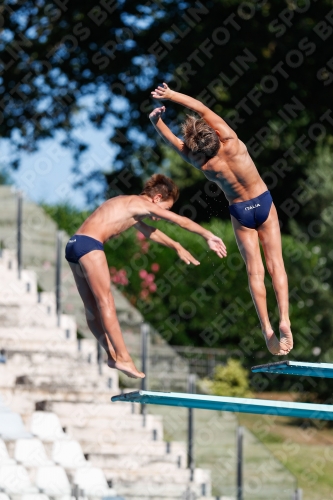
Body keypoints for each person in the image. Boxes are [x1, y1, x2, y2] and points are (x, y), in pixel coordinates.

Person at [149, 83, 293, 356]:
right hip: (262, 202)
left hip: (240, 212)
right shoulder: (231, 140)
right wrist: (170, 95)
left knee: (255, 272)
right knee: (276, 265)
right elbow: (200, 108)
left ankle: (267, 329)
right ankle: (284, 318)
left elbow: (175, 142)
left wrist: (157, 122)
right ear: (214, 132)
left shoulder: (201, 163)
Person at [65, 174, 227, 378]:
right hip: (90, 245)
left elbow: (151, 231)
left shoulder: (128, 204)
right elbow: (181, 221)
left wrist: (176, 245)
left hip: (73, 245)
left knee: (91, 308)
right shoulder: (143, 204)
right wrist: (208, 235)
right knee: (106, 302)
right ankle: (123, 357)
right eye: (165, 208)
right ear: (157, 198)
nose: (162, 214)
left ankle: (112, 355)